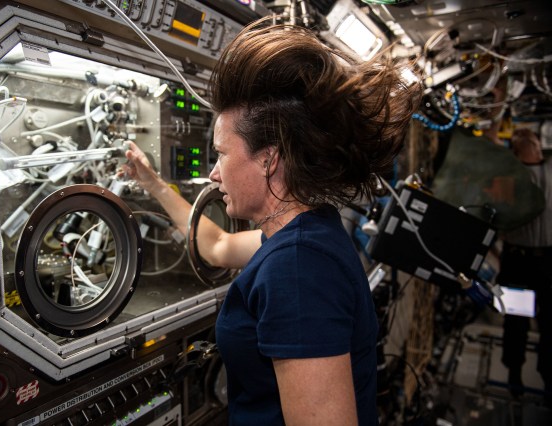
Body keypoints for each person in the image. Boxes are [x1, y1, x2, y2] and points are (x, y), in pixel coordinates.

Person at [122, 18, 421, 425]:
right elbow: (218, 247)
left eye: (221, 154)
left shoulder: (297, 269)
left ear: (268, 159)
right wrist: (154, 185)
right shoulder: (304, 234)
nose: (213, 173)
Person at [499, 128, 552, 405]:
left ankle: (548, 376)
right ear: (517, 151)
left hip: (548, 261)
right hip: (517, 261)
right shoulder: (510, 175)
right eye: (524, 140)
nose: (532, 141)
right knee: (516, 320)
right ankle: (514, 372)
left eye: (533, 139)